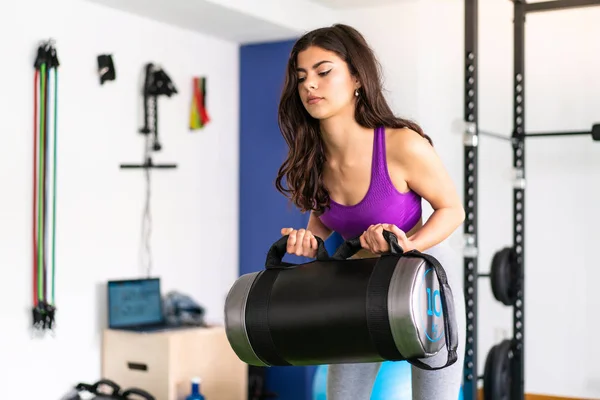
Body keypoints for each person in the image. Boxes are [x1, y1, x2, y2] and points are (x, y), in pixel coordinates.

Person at [274, 24, 467, 400]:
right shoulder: (313, 157)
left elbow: (451, 210)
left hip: (422, 280)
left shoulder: (400, 145)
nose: (310, 85)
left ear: (357, 78)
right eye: (301, 78)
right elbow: (324, 219)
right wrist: (308, 242)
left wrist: (406, 243)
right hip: (358, 286)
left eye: (323, 71)